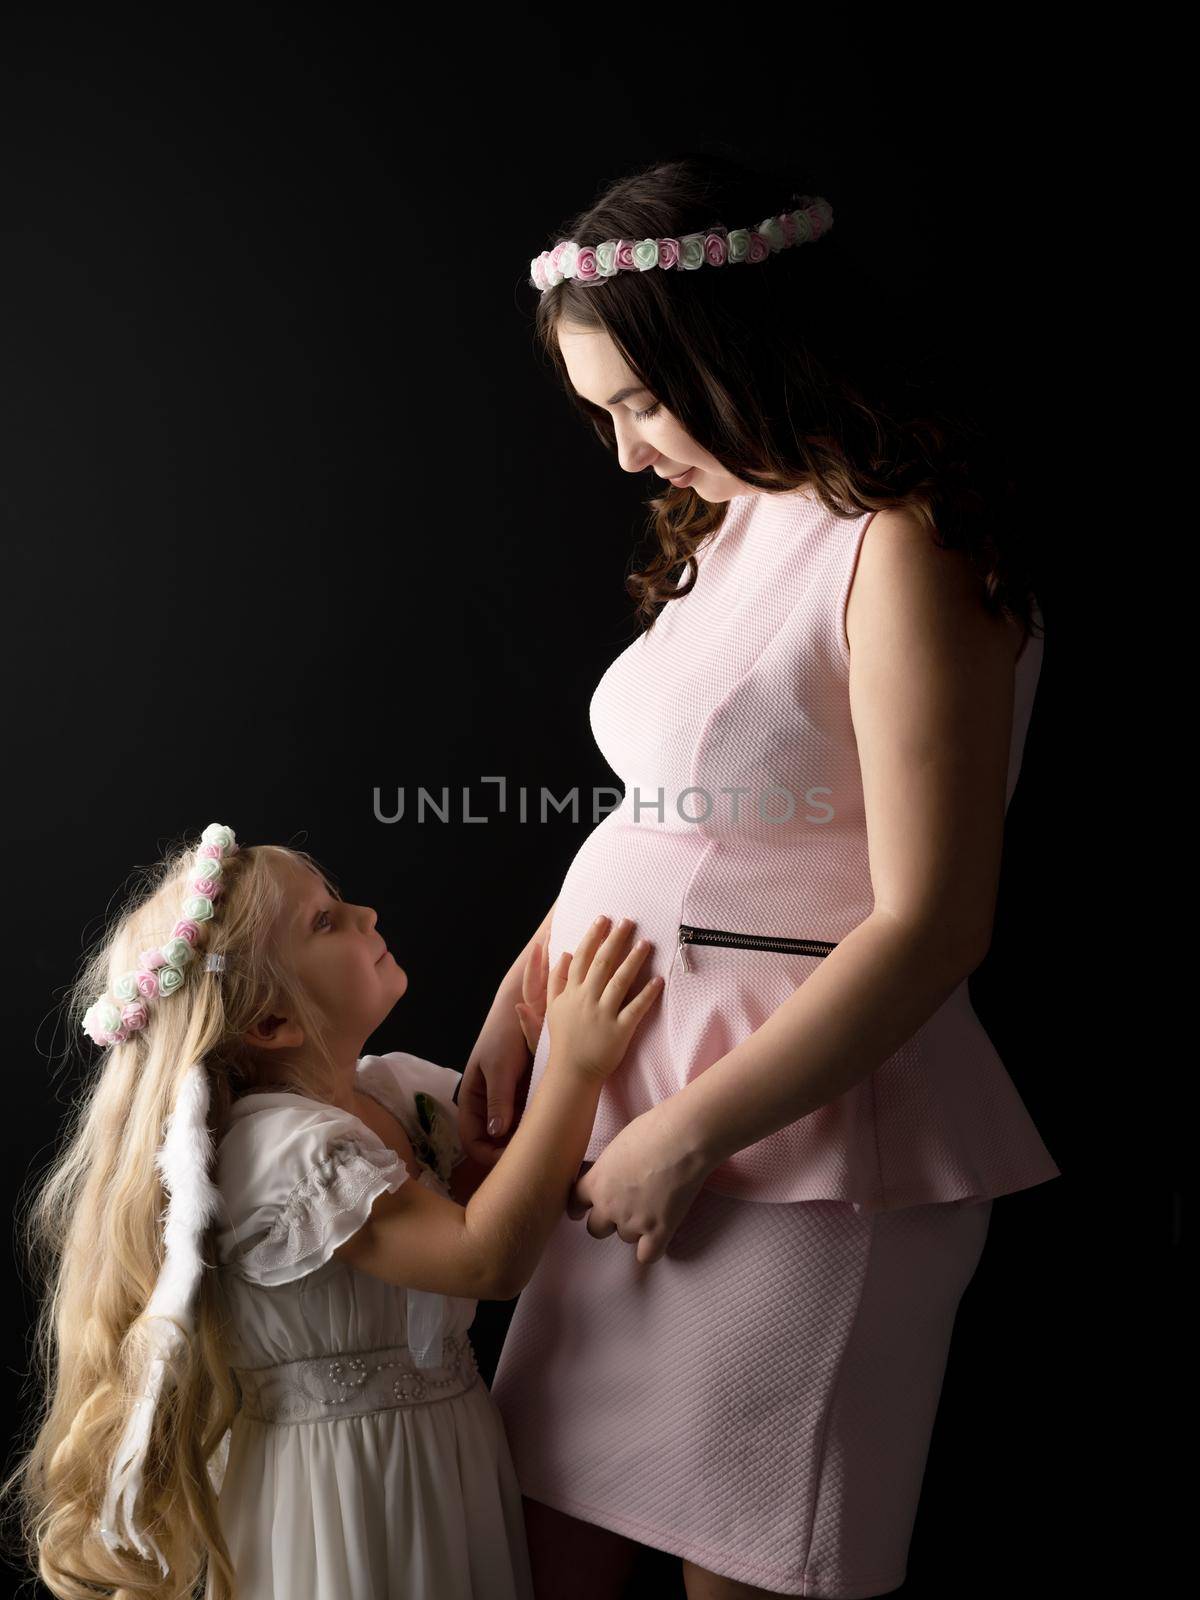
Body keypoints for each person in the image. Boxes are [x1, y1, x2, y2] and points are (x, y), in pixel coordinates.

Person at [458, 149, 1061, 1598]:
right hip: (622, 1111)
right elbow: (664, 822)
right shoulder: (732, 531)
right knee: (540, 1543)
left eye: (642, 403)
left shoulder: (899, 549)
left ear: (746, 350)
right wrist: (518, 1003)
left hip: (802, 1152)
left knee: (744, 1568)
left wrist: (690, 1136)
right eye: (599, 413)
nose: (623, 453)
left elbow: (933, 920)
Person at [8, 821, 664, 1599]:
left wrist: (490, 1157)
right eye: (327, 921)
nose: (368, 916)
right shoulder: (276, 1154)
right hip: (344, 1486)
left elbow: (494, 1206)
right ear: (273, 1026)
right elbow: (488, 1259)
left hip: (445, 1459)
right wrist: (577, 1066)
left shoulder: (391, 1090)